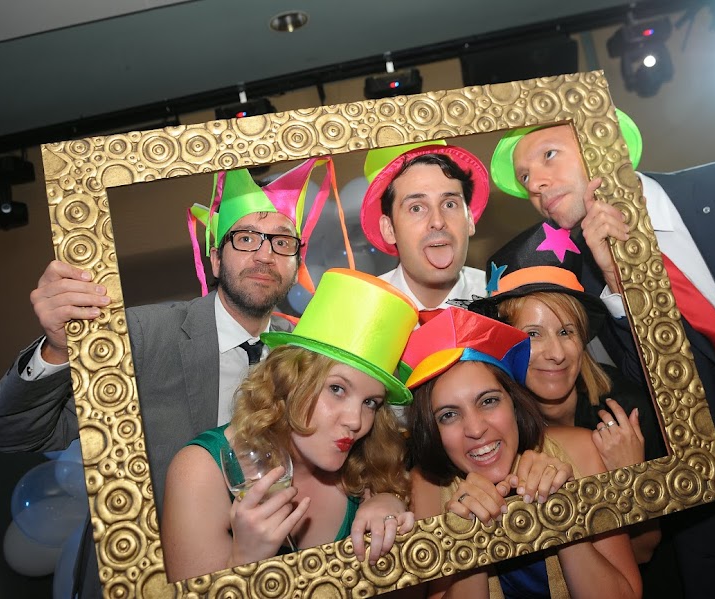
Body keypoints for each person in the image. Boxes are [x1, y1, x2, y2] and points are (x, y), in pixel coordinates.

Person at [492, 111, 715, 598]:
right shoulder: (584, 274)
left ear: (606, 142)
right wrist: (619, 283)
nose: (535, 184)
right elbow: (642, 383)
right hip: (708, 503)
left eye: (549, 156)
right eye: (524, 178)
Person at [0, 157, 336, 596]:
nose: (265, 255)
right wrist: (57, 349)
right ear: (215, 258)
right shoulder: (143, 336)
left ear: (295, 262)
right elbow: (16, 433)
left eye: (282, 242)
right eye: (246, 238)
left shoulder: (307, 354)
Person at [161, 268, 417, 582]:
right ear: (289, 380)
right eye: (337, 389)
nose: (356, 421)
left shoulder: (366, 469)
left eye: (371, 403)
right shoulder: (201, 471)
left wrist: (390, 502)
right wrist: (243, 560)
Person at [404, 308, 642, 599]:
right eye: (449, 415)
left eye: (488, 401)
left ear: (514, 403)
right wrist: (468, 541)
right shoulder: (426, 488)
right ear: (432, 430)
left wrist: (561, 512)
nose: (476, 429)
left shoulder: (581, 451)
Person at [467, 222, 666, 564]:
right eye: (533, 334)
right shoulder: (494, 433)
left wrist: (630, 475)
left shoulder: (627, 411)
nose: (557, 354)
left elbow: (645, 549)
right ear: (504, 345)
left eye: (566, 332)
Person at [360, 141, 489, 311]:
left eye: (449, 204)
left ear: (469, 220)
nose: (438, 221)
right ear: (389, 229)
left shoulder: (503, 300)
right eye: (416, 208)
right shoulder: (360, 311)